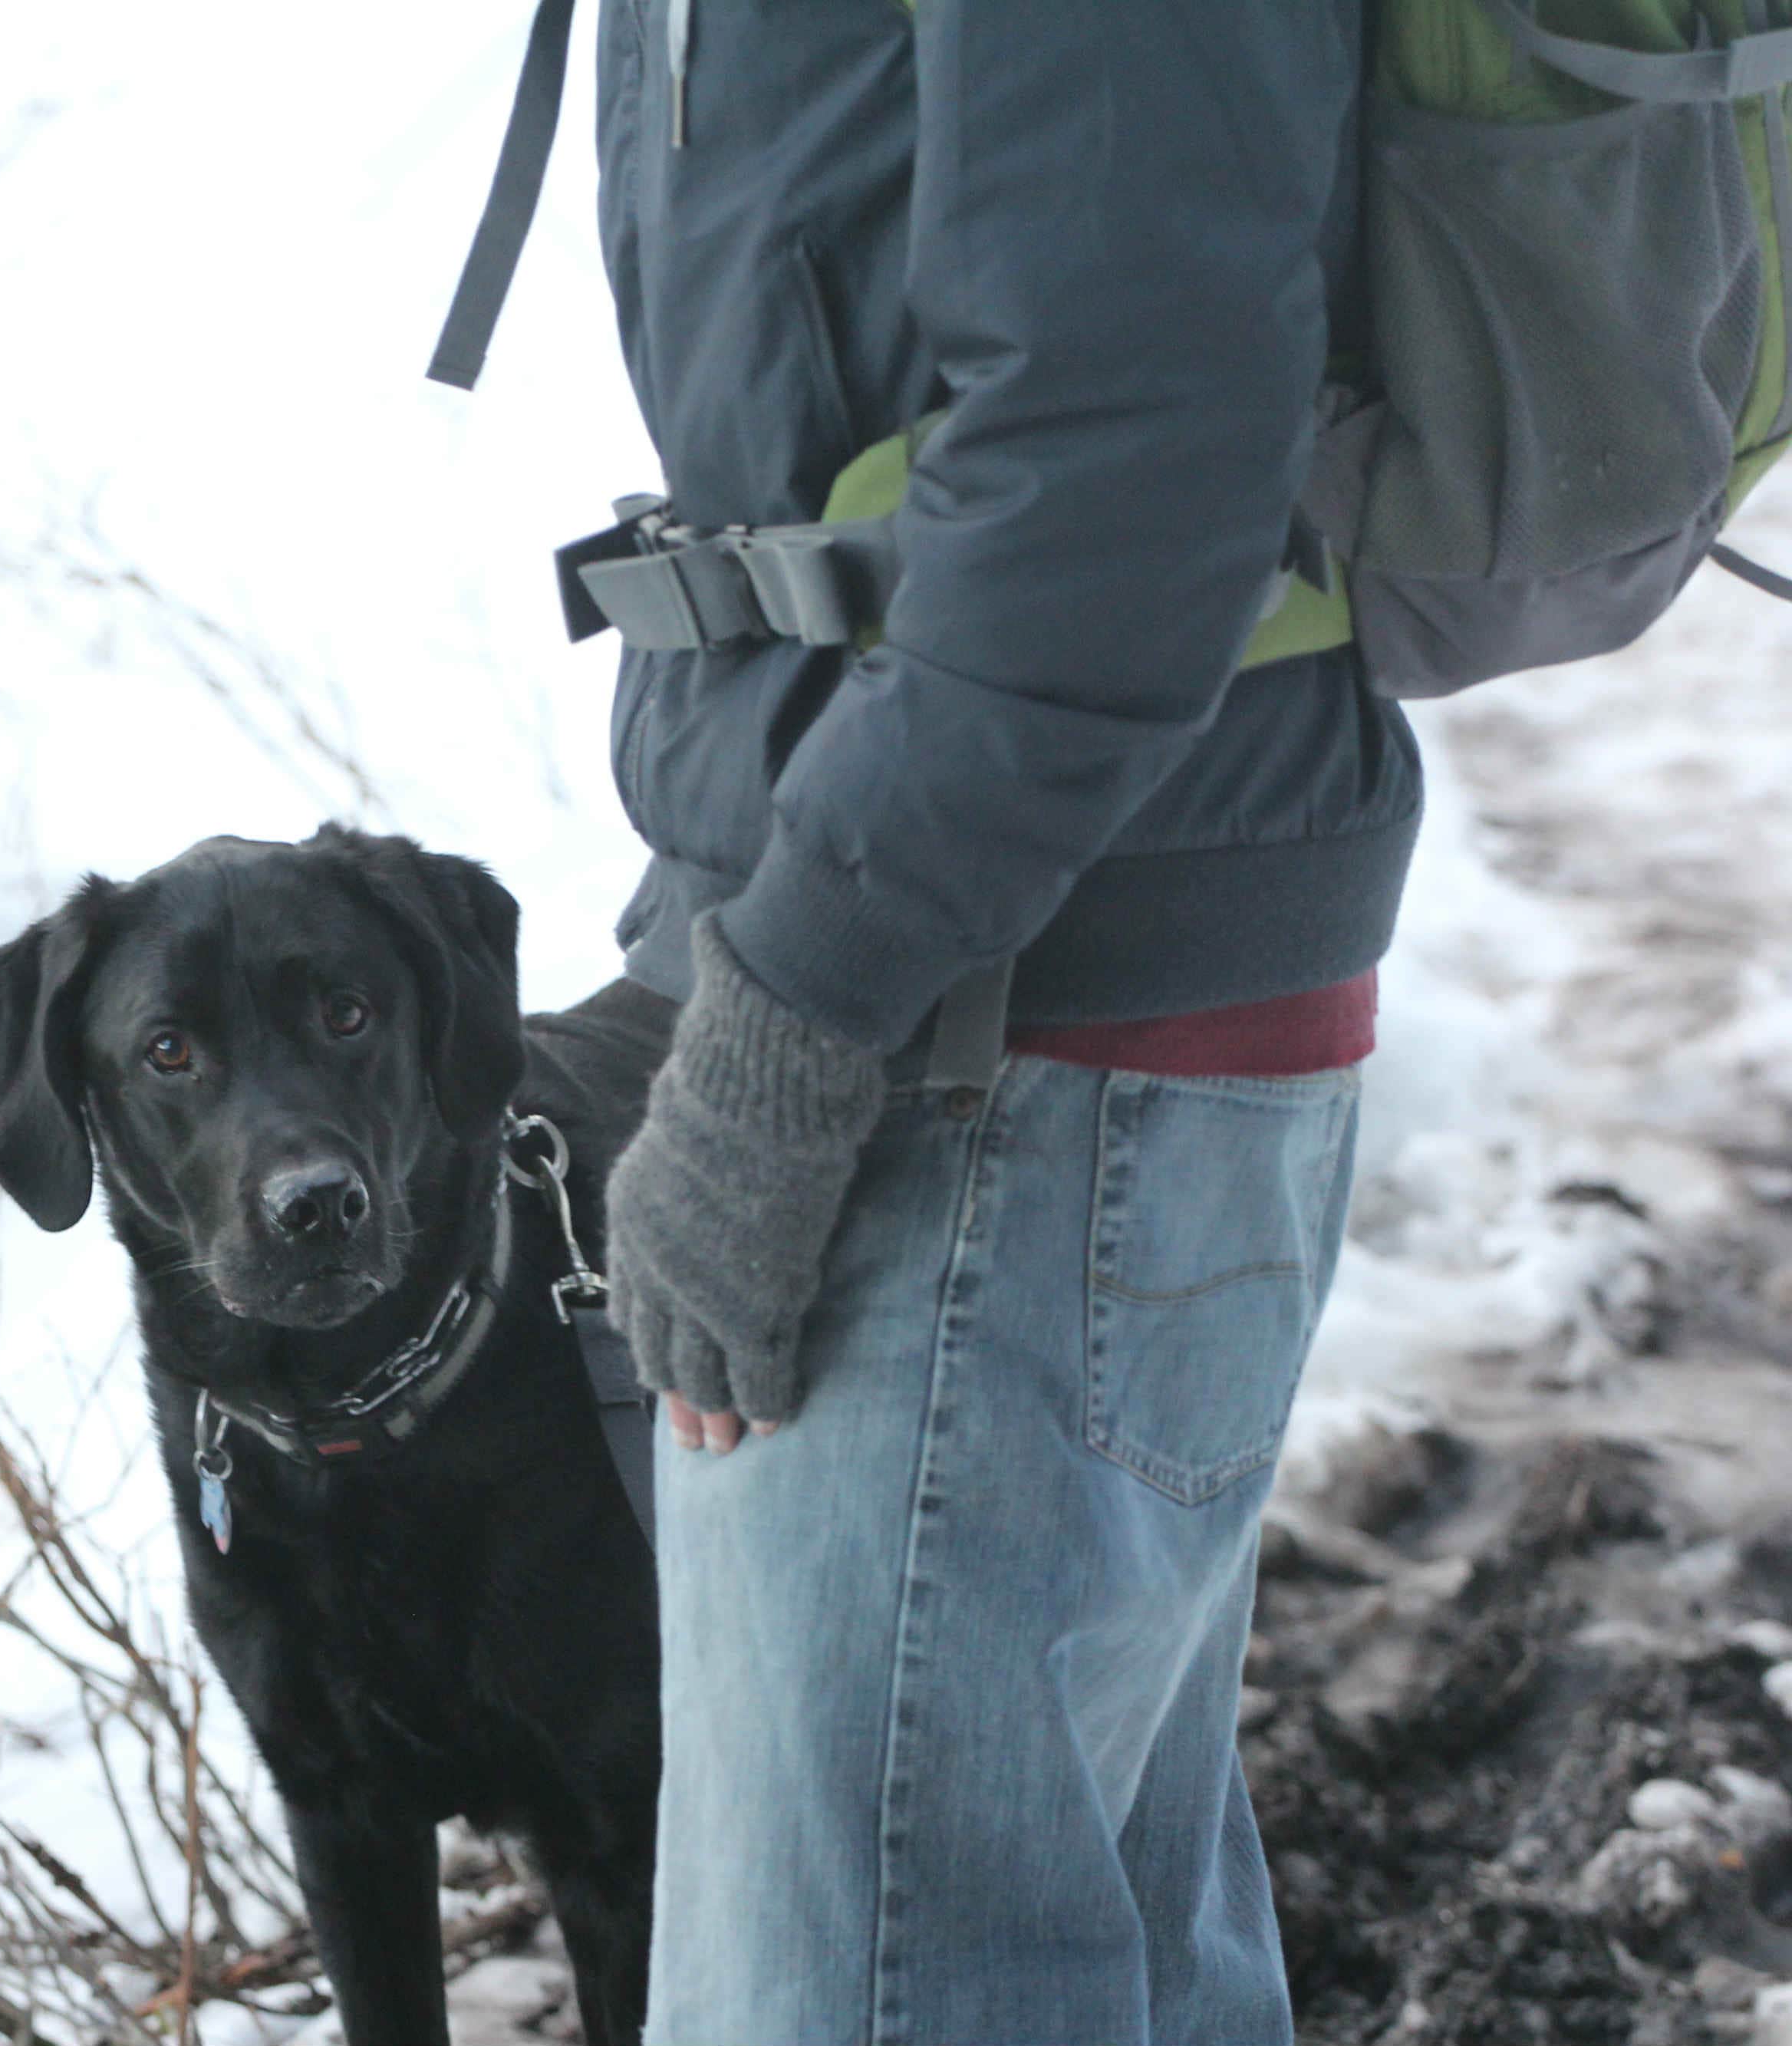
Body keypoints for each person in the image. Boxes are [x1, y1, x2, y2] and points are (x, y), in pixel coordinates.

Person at [571, 4, 1421, 2041]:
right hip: (997, 966)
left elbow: (1124, 439)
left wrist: (789, 1013)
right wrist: (719, 910)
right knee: (1081, 1952)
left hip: (999, 1032)